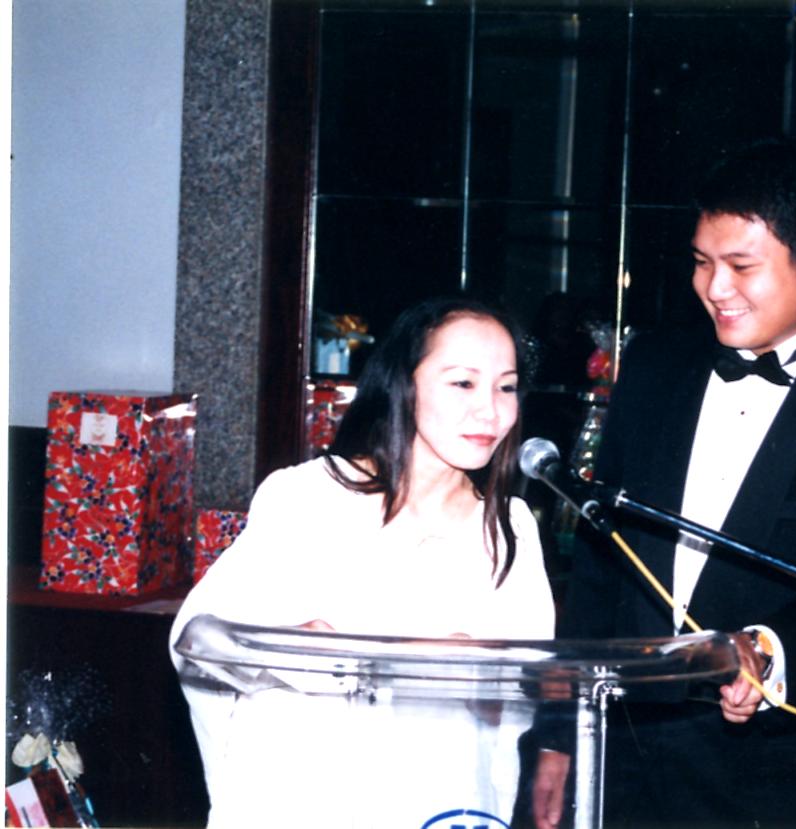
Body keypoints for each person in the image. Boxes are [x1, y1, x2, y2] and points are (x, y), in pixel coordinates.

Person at [531, 138, 796, 828]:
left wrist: (768, 649)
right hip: (627, 775)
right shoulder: (653, 368)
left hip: (788, 790)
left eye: (741, 265)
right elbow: (598, 570)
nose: (715, 288)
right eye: (702, 262)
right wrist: (557, 737)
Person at [170, 296, 555, 828]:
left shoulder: (509, 528)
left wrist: (475, 671)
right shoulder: (311, 496)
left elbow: (521, 703)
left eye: (506, 387)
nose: (489, 410)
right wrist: (294, 648)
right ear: (403, 384)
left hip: (437, 804)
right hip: (303, 803)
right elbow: (198, 640)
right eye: (463, 383)